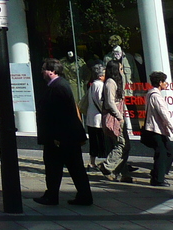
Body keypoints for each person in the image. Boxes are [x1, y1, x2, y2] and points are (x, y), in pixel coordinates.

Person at [34, 57, 93, 206]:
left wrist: (56, 137)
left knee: (58, 167)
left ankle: (54, 196)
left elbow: (62, 114)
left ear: (52, 71)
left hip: (61, 138)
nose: (42, 72)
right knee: (71, 167)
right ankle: (78, 195)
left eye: (44, 69)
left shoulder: (58, 87)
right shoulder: (58, 85)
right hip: (64, 137)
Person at [142, 70, 173, 187]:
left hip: (154, 128)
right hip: (156, 129)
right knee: (164, 152)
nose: (166, 84)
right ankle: (158, 178)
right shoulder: (157, 97)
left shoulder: (149, 94)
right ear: (160, 82)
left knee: (168, 151)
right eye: (164, 82)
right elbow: (165, 115)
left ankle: (157, 173)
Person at [99, 59, 133, 182]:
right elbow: (110, 102)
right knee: (122, 144)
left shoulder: (116, 81)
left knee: (125, 145)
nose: (122, 71)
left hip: (119, 115)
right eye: (120, 69)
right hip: (114, 117)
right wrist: (119, 116)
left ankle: (121, 173)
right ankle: (107, 166)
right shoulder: (110, 83)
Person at [82, 63, 106, 169]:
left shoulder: (92, 85)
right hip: (99, 119)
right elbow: (100, 101)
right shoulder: (100, 85)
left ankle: (92, 161)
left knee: (93, 141)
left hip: (91, 118)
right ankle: (105, 163)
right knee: (102, 141)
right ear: (100, 75)